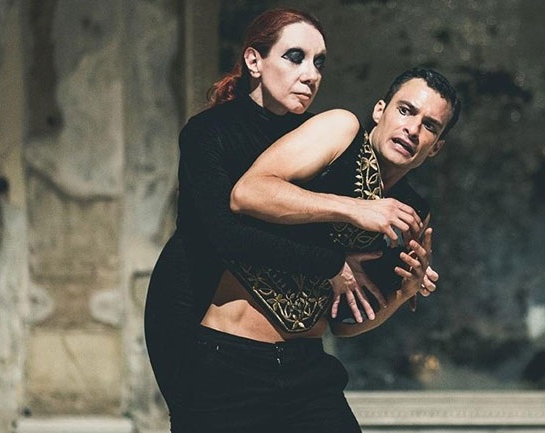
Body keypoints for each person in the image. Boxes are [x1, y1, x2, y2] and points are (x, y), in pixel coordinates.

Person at [144, 8, 435, 433]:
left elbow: (339, 304)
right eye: (295, 57)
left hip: (301, 361)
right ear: (254, 60)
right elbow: (227, 233)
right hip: (198, 326)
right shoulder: (208, 132)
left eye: (319, 63)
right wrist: (333, 259)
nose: (311, 74)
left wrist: (399, 287)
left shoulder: (318, 137)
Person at [180, 67, 461, 432]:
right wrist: (355, 209)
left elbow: (344, 324)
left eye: (429, 126)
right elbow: (248, 193)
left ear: (436, 147)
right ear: (380, 110)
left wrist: (403, 294)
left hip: (307, 369)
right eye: (405, 110)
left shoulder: (411, 214)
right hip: (232, 358)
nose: (412, 129)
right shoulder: (341, 131)